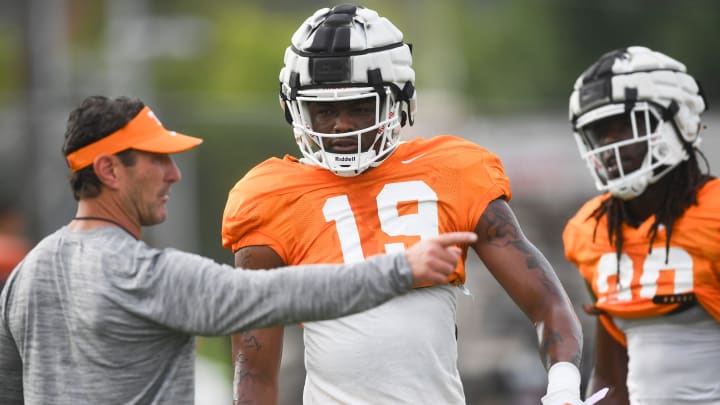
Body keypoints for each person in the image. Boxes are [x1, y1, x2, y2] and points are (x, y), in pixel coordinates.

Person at [0, 95, 478, 405]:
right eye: (157, 159)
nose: (174, 174)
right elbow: (272, 295)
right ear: (108, 170)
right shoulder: (141, 275)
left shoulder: (26, 273)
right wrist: (401, 267)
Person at [221, 4, 588, 405]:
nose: (340, 124)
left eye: (359, 106)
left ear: (398, 101)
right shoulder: (269, 197)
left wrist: (564, 385)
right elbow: (254, 370)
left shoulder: (452, 171)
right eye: (323, 110)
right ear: (295, 108)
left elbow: (547, 303)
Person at [563, 46, 719, 405]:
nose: (611, 144)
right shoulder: (591, 231)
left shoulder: (714, 217)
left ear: (679, 120)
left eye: (626, 125)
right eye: (600, 132)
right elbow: (611, 378)